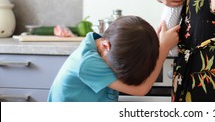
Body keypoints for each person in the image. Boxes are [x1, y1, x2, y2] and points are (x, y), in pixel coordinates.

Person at [47, 15, 179, 102]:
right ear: (105, 45)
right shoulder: (87, 63)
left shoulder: (104, 45)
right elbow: (141, 89)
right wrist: (163, 48)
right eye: (116, 68)